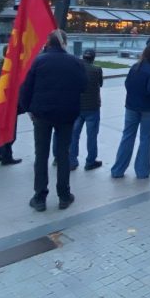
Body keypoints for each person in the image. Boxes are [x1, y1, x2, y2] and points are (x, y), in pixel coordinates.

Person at [21, 29, 87, 211]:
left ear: (48, 43)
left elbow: (26, 89)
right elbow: (83, 86)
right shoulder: (75, 62)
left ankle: (40, 197)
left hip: (42, 115)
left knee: (41, 155)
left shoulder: (39, 61)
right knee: (63, 154)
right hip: (66, 115)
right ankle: (64, 195)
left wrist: (28, 109)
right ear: (65, 43)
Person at [111, 43, 150, 179]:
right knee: (145, 138)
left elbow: (127, 84)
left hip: (131, 107)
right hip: (148, 109)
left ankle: (118, 170)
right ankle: (142, 171)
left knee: (127, 136)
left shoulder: (135, 67)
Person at [69, 48, 104, 170]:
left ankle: (72, 161)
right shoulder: (97, 70)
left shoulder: (75, 69)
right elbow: (100, 84)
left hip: (77, 107)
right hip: (93, 107)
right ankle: (90, 162)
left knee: (74, 135)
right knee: (92, 136)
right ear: (93, 58)